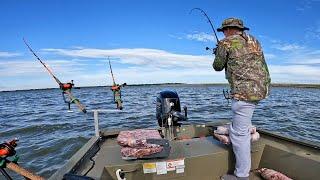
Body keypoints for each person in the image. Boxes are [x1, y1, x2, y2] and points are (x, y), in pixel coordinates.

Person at [212, 18, 271, 180]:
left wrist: (218, 51)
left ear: (230, 29)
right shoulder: (254, 41)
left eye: (224, 30)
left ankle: (241, 176)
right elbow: (262, 65)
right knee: (241, 123)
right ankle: (243, 129)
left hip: (244, 93)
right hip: (261, 89)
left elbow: (217, 66)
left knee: (238, 135)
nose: (223, 33)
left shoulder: (226, 43)